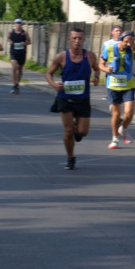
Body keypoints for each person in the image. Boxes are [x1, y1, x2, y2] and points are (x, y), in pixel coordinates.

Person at [45, 28, 100, 170]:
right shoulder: (61, 57)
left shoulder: (91, 56)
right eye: (74, 38)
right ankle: (70, 158)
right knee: (69, 131)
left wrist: (96, 77)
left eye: (80, 38)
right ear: (69, 40)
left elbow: (97, 68)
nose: (77, 41)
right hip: (65, 98)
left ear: (84, 40)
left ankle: (77, 128)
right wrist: (54, 85)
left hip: (83, 99)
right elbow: (49, 74)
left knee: (82, 132)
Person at [100, 31, 135, 149]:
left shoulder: (133, 50)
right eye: (127, 41)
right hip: (113, 85)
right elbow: (100, 64)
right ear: (121, 40)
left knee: (129, 113)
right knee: (116, 114)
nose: (129, 44)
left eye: (132, 41)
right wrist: (106, 69)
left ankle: (123, 128)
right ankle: (114, 139)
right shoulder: (110, 48)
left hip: (128, 85)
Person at [7, 19, 31, 94]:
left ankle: (17, 84)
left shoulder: (25, 33)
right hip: (13, 52)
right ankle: (14, 85)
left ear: (21, 24)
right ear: (14, 24)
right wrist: (10, 41)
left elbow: (29, 41)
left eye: (19, 23)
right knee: (15, 67)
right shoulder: (11, 32)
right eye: (17, 23)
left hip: (22, 53)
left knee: (20, 69)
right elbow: (8, 39)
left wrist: (25, 43)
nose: (18, 24)